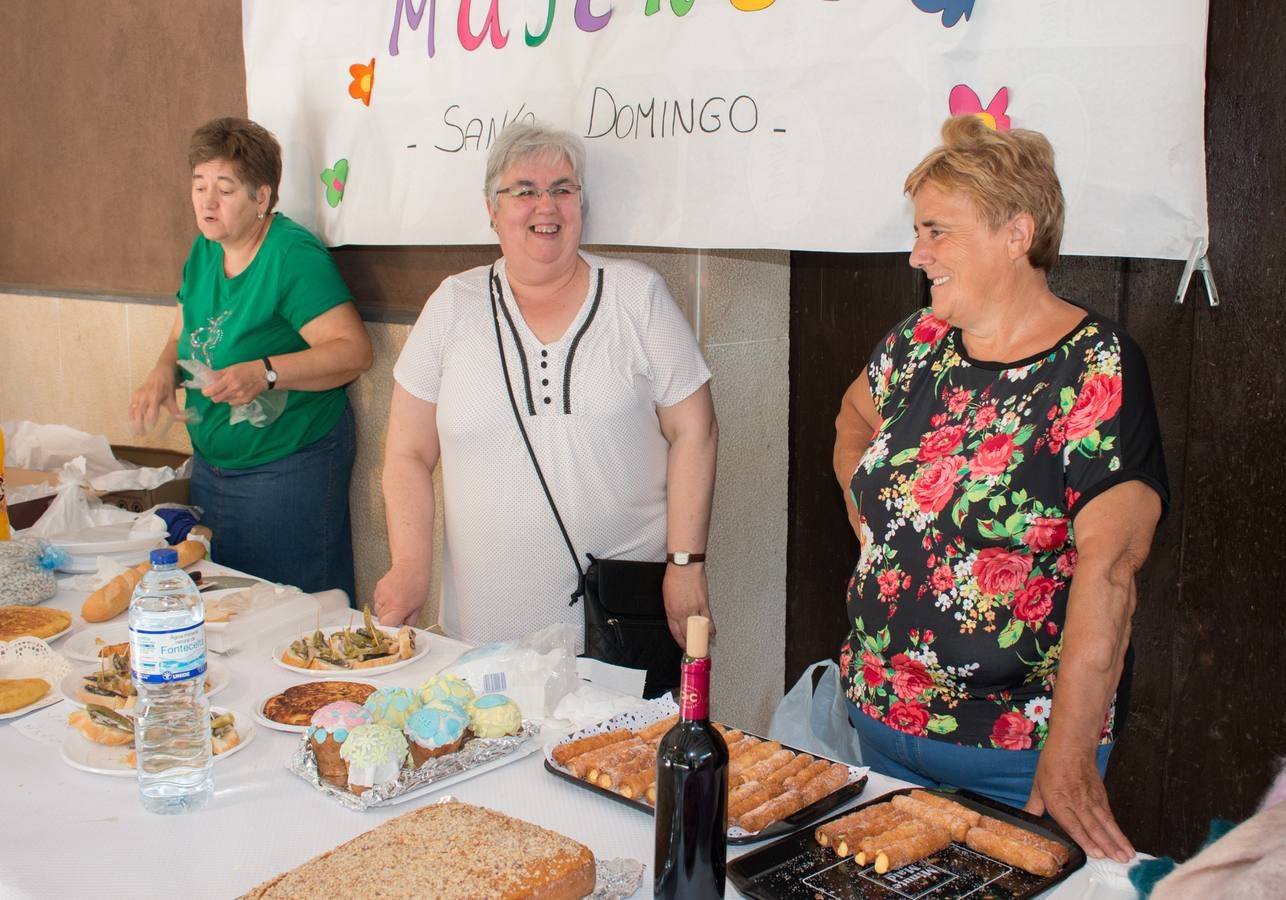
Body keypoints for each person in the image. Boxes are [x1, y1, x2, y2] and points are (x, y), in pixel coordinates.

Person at [832, 115, 1168, 862]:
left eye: (937, 232)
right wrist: (867, 510)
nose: (919, 254)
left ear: (1017, 233)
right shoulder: (916, 343)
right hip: (880, 723)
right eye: (918, 232)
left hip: (1016, 756)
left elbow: (1113, 572)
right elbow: (850, 422)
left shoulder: (1097, 367)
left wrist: (1071, 753)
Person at [374, 121, 717, 656]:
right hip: (484, 635)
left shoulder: (638, 295)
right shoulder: (452, 306)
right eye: (525, 191)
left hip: (617, 627)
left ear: (583, 204)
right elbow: (407, 451)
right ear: (492, 209)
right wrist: (410, 567)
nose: (546, 206)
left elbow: (696, 431)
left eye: (563, 189)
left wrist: (685, 563)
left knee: (620, 743)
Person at [129, 117, 372, 600]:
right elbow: (185, 325)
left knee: (288, 615)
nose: (206, 201)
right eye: (199, 186)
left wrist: (267, 372)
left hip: (286, 467)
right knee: (231, 612)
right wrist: (163, 370)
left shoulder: (290, 255)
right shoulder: (205, 248)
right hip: (214, 466)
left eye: (224, 188)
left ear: (261, 198)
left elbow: (354, 352)